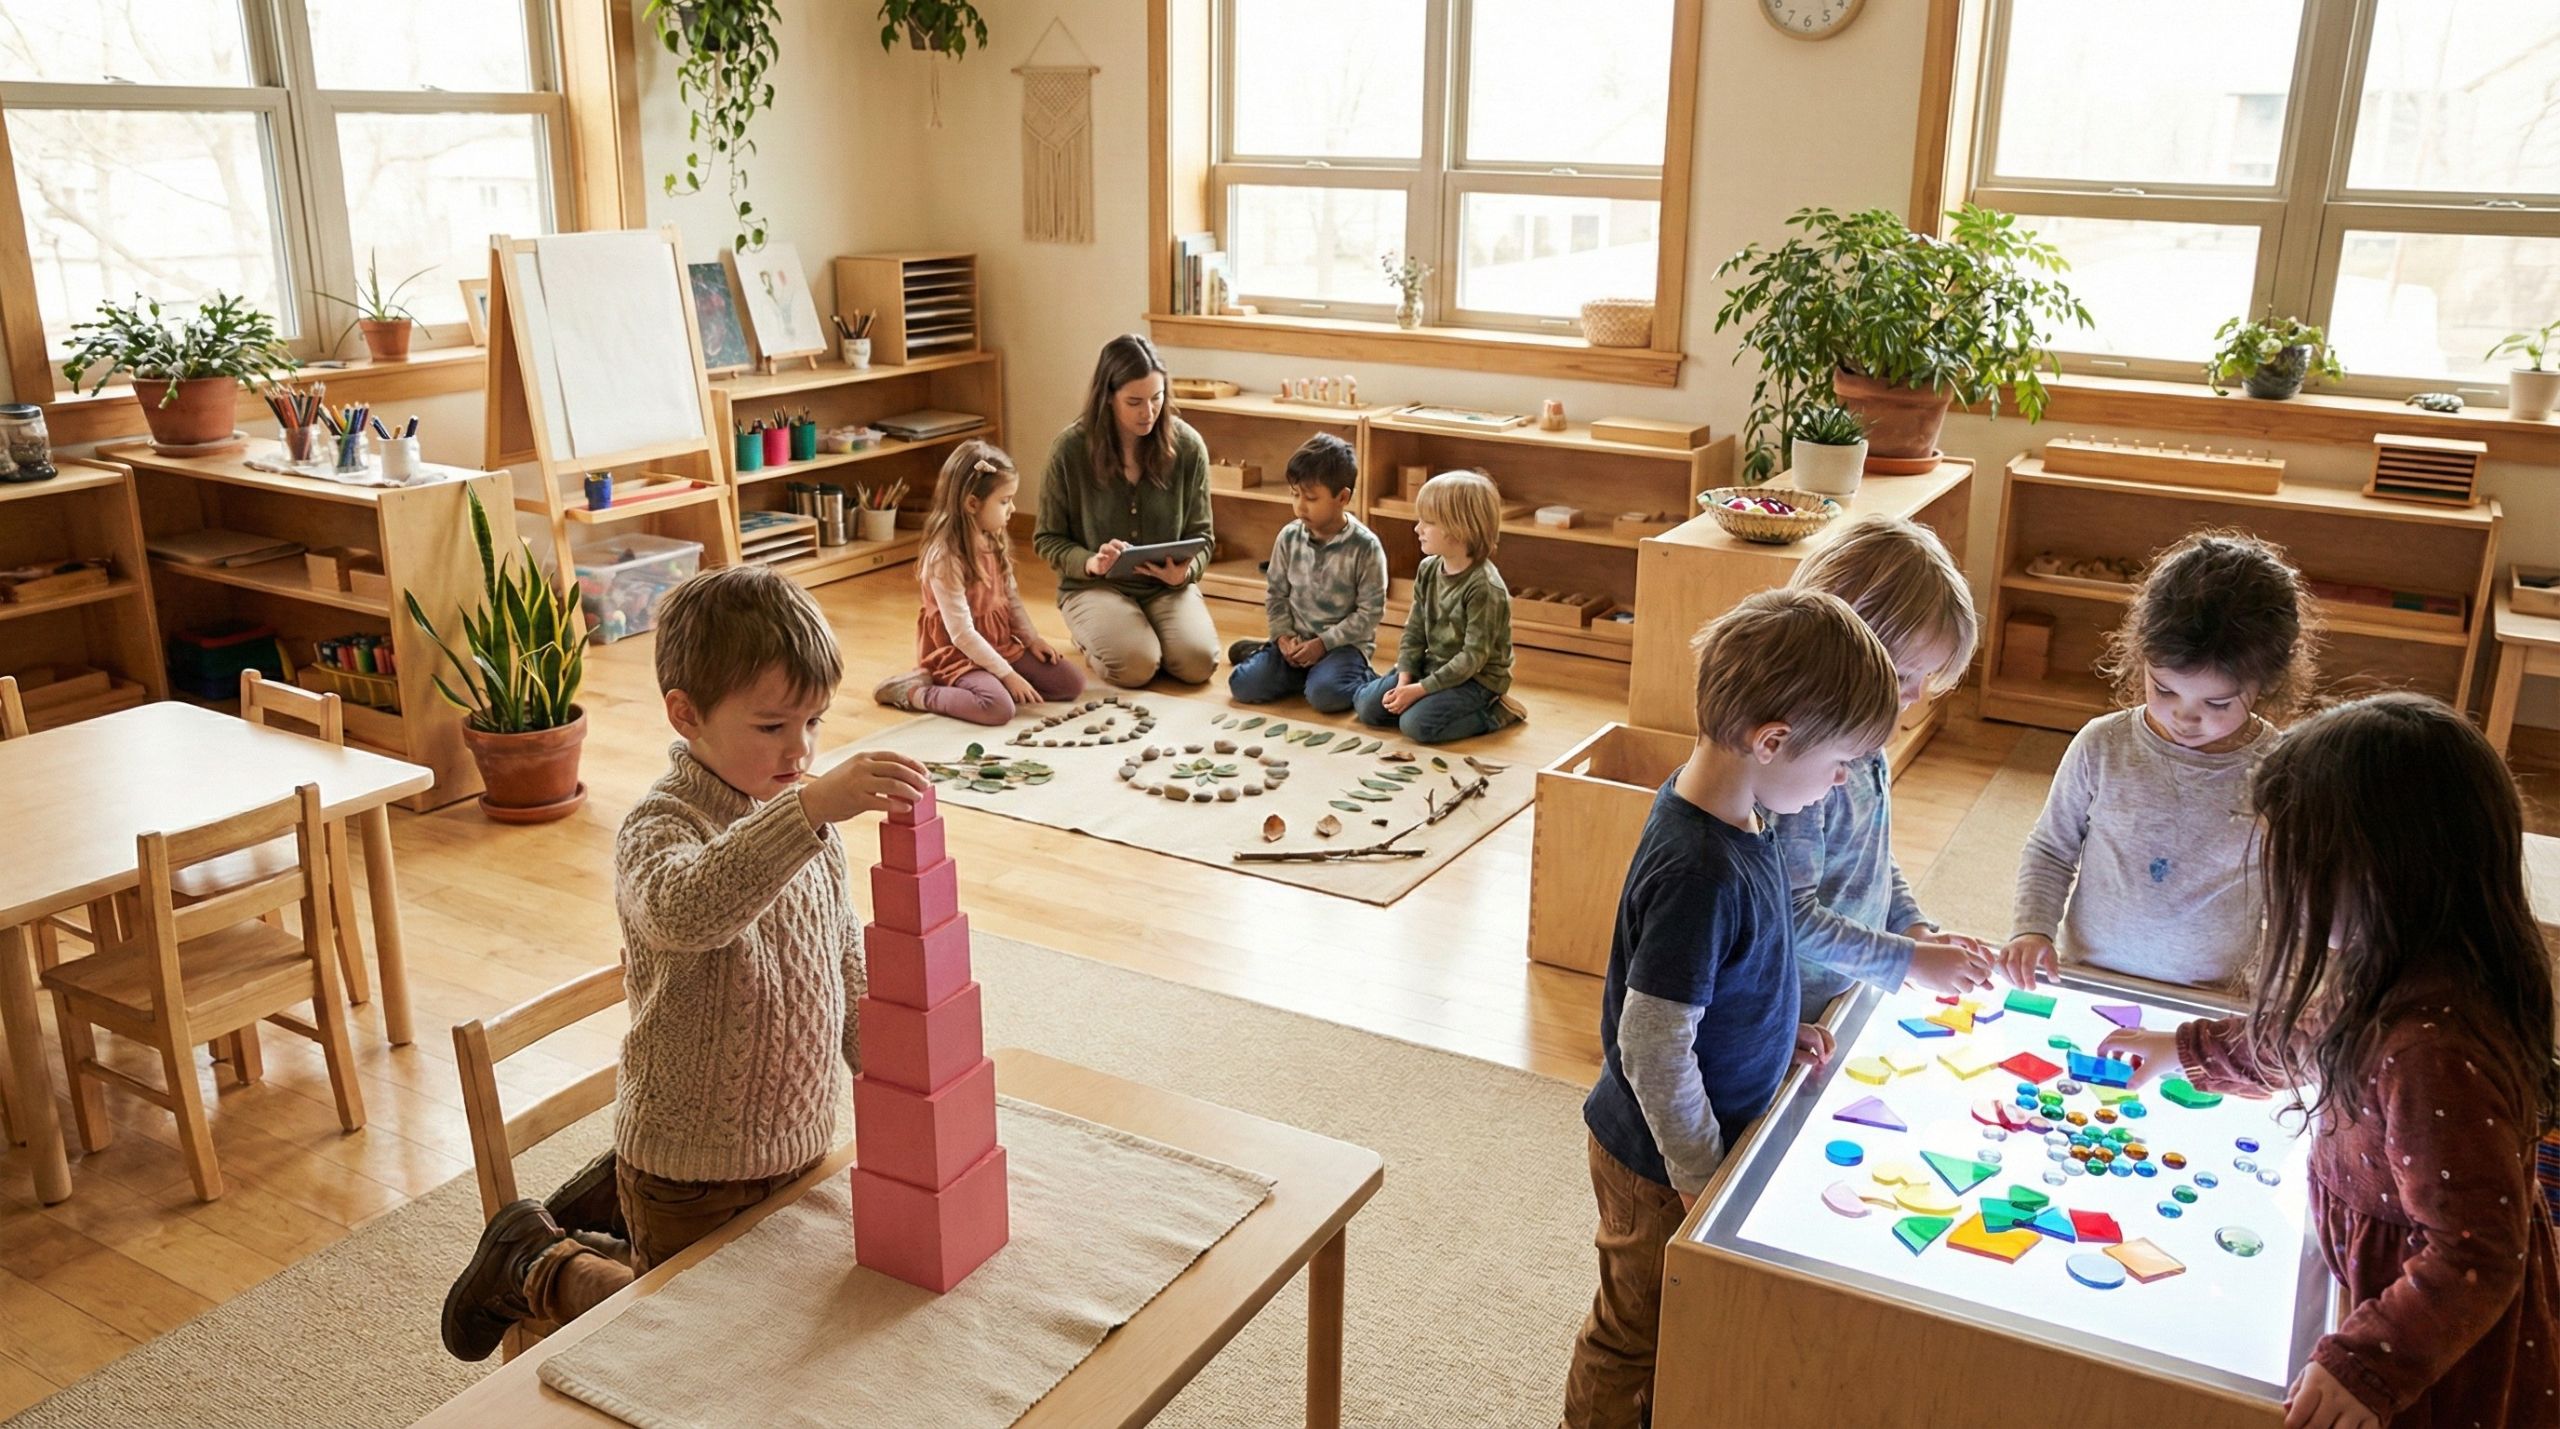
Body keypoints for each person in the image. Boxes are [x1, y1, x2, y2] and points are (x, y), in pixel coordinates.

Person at [439, 565, 931, 1362]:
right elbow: (689, 910)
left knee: (781, 1329)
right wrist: (805, 809)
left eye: (813, 722)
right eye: (772, 726)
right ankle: (539, 1261)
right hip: (692, 1166)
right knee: (685, 1342)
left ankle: (601, 1205)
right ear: (686, 713)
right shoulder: (658, 826)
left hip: (796, 1145)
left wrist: (894, 1075)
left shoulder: (812, 829)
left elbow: (841, 957)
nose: (801, 751)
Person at [2098, 694, 2560, 1429]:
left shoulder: (2433, 1050)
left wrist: (2370, 1361)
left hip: (2433, 1341)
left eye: (2297, 861)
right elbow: (2310, 1037)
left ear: (2385, 872)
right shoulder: (2398, 959)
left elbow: (2477, 1253)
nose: (2279, 882)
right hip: (2374, 1276)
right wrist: (2184, 1049)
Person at [1564, 587, 1901, 1428]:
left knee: (1687, 1321)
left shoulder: (1739, 812)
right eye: (1838, 764)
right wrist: (1698, 1176)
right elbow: (1651, 1045)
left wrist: (1776, 1033)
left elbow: (1728, 977)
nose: (1840, 783)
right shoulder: (1699, 871)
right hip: (1656, 1163)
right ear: (1773, 740)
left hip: (1698, 1136)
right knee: (1629, 1335)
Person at [2003, 530, 2314, 990]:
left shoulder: (2279, 771)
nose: (2185, 717)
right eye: (2164, 690)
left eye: (2218, 704)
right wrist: (2032, 928)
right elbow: (2052, 847)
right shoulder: (2102, 745)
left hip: (2210, 995)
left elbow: (2296, 893)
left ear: (2266, 682)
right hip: (2090, 974)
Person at [1779, 516, 1994, 1018]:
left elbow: (1868, 859)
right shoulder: (1800, 774)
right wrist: (1906, 960)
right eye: (1902, 676)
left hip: (1844, 989)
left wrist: (1913, 929)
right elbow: (1789, 915)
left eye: (1926, 678)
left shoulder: (1865, 741)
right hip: (1791, 1007)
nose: (1918, 696)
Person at [1032, 333, 1216, 688]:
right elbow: (1047, 539)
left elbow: (1203, 536)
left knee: (1197, 664)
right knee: (1135, 668)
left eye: (1157, 398)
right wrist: (1090, 562)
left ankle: (1141, 633)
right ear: (1108, 398)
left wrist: (1187, 571)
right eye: (1134, 402)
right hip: (1095, 587)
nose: (1148, 412)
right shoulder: (1069, 451)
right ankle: (1103, 634)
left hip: (1166, 588)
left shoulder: (1188, 447)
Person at [873, 440, 1084, 724]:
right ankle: (915, 692)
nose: (1012, 509)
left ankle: (986, 677)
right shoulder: (945, 557)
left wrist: (1032, 640)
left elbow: (1011, 600)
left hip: (998, 643)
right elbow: (961, 634)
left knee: (1070, 684)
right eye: (1005, 500)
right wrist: (1008, 675)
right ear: (972, 503)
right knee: (998, 708)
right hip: (957, 652)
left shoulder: (992, 538)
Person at [1351, 470, 1524, 743]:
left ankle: (1494, 713)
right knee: (1367, 708)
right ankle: (1416, 696)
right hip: (1433, 667)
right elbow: (1414, 630)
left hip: (1476, 681)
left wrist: (1420, 691)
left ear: (1459, 529)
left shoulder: (1485, 588)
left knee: (1416, 725)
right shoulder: (1428, 569)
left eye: (1427, 522)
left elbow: (1471, 660)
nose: (1417, 528)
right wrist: (1405, 679)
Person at [1226, 432, 1386, 713]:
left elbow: (1369, 614)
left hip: (1341, 647)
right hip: (1296, 643)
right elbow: (1276, 595)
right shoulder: (1288, 537)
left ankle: (1346, 676)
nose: (1300, 506)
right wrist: (1283, 637)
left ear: (1342, 497)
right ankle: (1283, 663)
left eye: (1311, 497)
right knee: (1242, 685)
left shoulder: (1366, 547)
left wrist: (1323, 645)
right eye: (1295, 494)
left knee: (1327, 696)